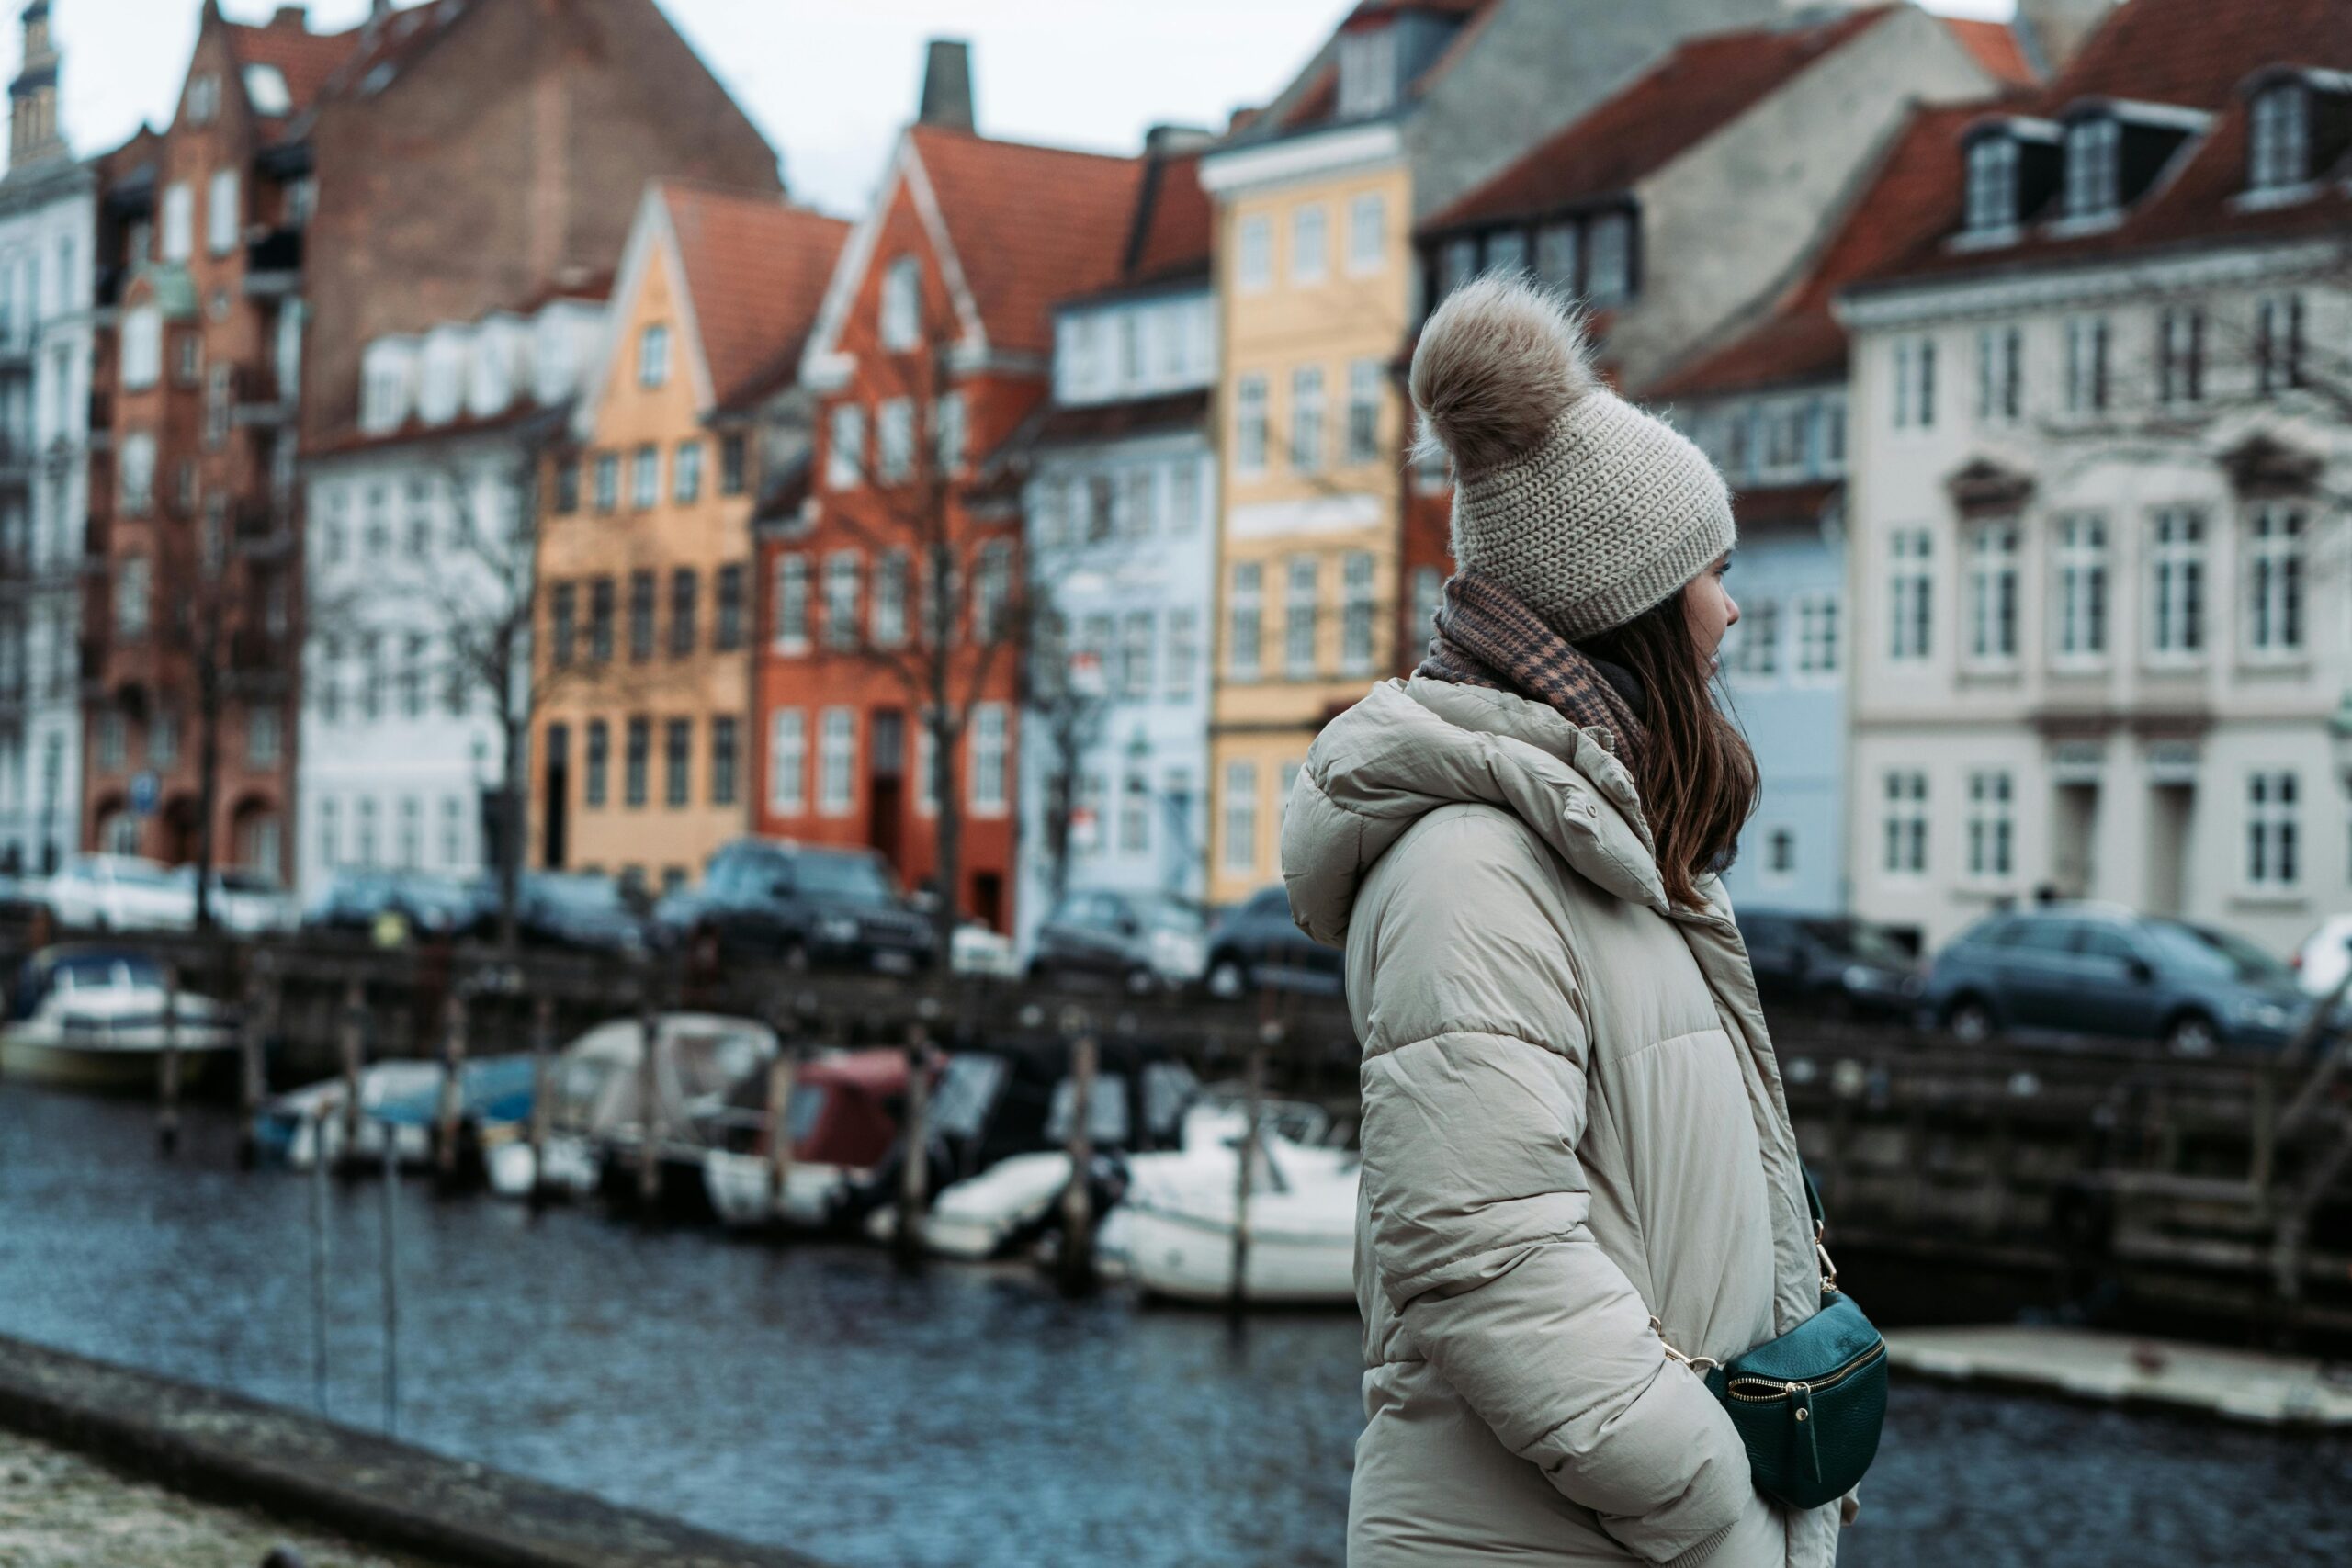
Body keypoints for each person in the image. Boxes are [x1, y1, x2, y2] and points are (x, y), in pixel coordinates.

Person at [1282, 276, 1853, 1566]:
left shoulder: (1607, 855)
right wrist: (1715, 1504)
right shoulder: (1475, 870)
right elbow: (1482, 1253)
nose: (1732, 609)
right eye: (1713, 572)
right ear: (1629, 607)